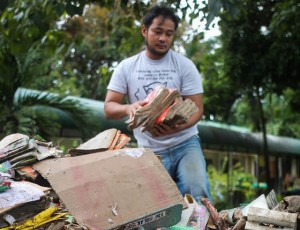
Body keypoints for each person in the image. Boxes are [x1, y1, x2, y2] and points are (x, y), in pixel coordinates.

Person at [104, 5, 212, 203]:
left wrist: (174, 127)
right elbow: (109, 108)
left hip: (185, 143)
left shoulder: (185, 65)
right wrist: (129, 108)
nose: (163, 38)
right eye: (158, 32)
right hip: (149, 149)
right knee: (152, 204)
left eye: (169, 34)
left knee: (196, 191)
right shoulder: (126, 67)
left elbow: (197, 108)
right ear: (145, 31)